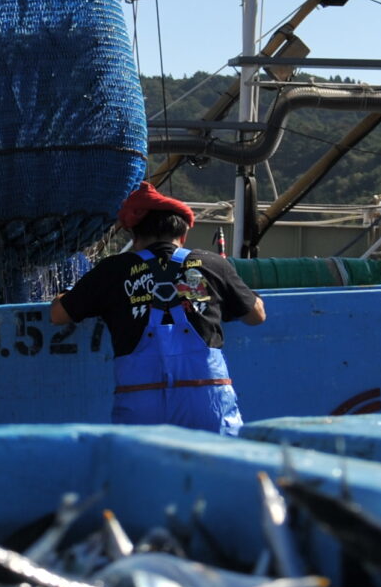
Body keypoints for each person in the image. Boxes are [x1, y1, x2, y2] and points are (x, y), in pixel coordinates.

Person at [50, 182, 266, 435]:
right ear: (182, 232)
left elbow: (58, 315)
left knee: (143, 470)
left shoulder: (112, 270)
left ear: (134, 234)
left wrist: (67, 293)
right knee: (217, 471)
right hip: (206, 400)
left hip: (141, 403)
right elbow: (256, 316)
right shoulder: (213, 264)